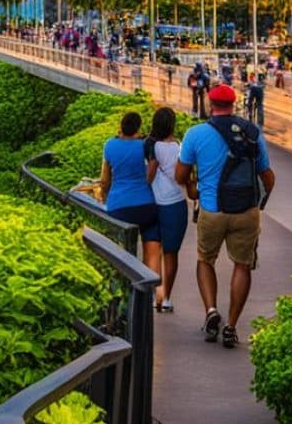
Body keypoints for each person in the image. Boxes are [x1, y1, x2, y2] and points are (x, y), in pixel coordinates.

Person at [176, 85, 278, 349]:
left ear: (211, 104)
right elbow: (267, 174)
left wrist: (193, 187)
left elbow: (179, 175)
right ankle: (231, 326)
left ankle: (211, 311)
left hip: (212, 209)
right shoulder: (252, 132)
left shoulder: (195, 134)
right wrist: (260, 200)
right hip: (246, 210)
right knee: (242, 265)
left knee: (205, 259)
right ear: (234, 105)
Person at [100, 112, 163, 269]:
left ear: (120, 127)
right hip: (146, 205)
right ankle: (150, 288)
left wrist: (104, 197)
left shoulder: (110, 145)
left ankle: (127, 286)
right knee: (153, 247)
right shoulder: (144, 146)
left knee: (122, 250)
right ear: (139, 129)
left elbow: (105, 180)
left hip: (118, 207)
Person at [145, 108, 189, 313]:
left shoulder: (150, 146)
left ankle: (156, 295)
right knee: (171, 253)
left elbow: (149, 175)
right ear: (171, 125)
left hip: (153, 203)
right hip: (175, 203)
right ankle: (167, 297)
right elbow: (184, 175)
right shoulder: (178, 147)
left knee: (154, 251)